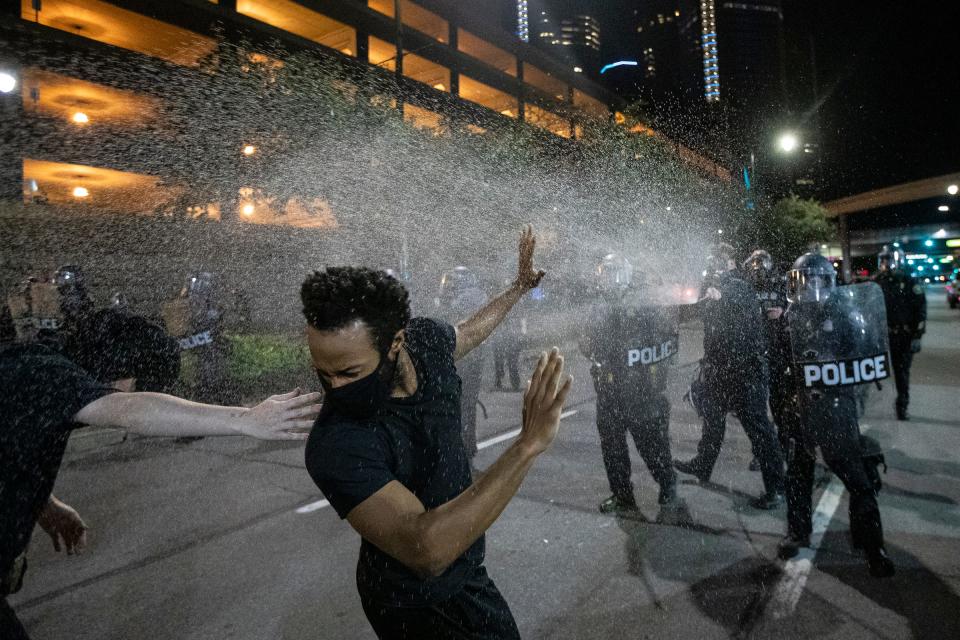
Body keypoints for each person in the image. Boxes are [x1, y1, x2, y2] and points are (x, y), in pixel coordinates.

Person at [303, 226, 573, 640]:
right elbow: (425, 549)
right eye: (324, 373)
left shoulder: (426, 341)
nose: (335, 388)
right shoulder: (337, 443)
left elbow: (468, 331)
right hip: (412, 604)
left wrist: (517, 288)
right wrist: (527, 445)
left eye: (349, 372)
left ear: (396, 342)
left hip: (466, 574)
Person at [0, 295, 321, 639]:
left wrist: (44, 503)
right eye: (141, 384)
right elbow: (129, 410)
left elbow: (12, 447)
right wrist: (246, 419)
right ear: (125, 377)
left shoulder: (31, 373)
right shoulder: (46, 374)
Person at [778, 252, 895, 577]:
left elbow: (866, 355)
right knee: (798, 475)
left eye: (816, 281)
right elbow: (776, 365)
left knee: (859, 479)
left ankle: (873, 546)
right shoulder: (790, 317)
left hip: (835, 409)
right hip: (800, 408)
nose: (810, 289)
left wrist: (848, 393)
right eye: (804, 282)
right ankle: (798, 531)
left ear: (828, 282)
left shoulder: (845, 314)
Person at [674, 243, 786, 509]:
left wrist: (719, 294)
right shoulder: (714, 287)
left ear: (730, 261)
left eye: (718, 261)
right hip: (720, 368)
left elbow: (739, 298)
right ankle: (703, 465)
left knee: (758, 428)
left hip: (746, 370)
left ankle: (777, 488)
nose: (713, 266)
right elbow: (696, 313)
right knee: (712, 419)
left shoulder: (739, 283)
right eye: (711, 261)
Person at [579, 253, 681, 516]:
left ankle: (668, 483)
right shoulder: (599, 304)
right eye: (604, 273)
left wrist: (645, 362)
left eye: (612, 273)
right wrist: (590, 347)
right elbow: (586, 339)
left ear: (624, 274)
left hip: (640, 391)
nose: (607, 279)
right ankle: (622, 494)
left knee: (651, 444)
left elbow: (667, 336)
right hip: (609, 391)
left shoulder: (643, 300)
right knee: (612, 449)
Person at [742, 249, 792, 455]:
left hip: (777, 348)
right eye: (754, 265)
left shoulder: (780, 283)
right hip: (755, 350)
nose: (758, 269)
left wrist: (782, 312)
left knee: (780, 402)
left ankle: (783, 443)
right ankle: (761, 451)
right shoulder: (746, 287)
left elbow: (793, 307)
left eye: (761, 264)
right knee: (757, 406)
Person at [435, 266, 488, 462]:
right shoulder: (478, 296)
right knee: (468, 403)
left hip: (460, 358)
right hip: (475, 357)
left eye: (450, 284)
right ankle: (468, 446)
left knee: (457, 405)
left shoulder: (458, 302)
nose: (447, 287)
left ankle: (460, 450)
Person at [873, 245, 926, 420]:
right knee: (871, 371)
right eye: (883, 259)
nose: (886, 263)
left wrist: (917, 336)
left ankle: (901, 407)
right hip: (881, 337)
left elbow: (920, 310)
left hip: (903, 336)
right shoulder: (877, 282)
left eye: (889, 259)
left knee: (902, 373)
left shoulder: (909, 282)